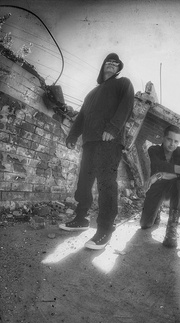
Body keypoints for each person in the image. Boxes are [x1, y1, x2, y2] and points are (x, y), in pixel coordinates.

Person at [59, 53, 134, 250]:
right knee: (84, 181)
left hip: (110, 141)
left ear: (118, 68)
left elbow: (126, 106)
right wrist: (72, 136)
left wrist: (113, 128)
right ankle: (81, 218)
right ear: (102, 67)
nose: (110, 64)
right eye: (107, 62)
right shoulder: (91, 94)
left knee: (106, 184)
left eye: (115, 63)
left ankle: (105, 230)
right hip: (90, 142)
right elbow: (81, 118)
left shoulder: (123, 84)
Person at [140, 125, 180, 248]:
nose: (172, 144)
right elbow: (160, 165)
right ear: (163, 138)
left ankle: (171, 229)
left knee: (179, 183)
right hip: (156, 189)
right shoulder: (153, 150)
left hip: (172, 189)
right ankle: (156, 210)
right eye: (169, 139)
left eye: (176, 141)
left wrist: (160, 175)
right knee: (145, 224)